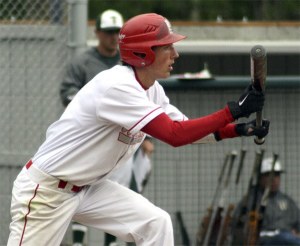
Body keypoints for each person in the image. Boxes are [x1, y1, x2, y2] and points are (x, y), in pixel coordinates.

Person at [8, 13, 269, 246]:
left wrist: (238, 129)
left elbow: (186, 129)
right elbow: (174, 135)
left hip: (88, 188)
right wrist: (234, 110)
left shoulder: (151, 87)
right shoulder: (117, 86)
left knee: (156, 223)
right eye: (168, 47)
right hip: (48, 192)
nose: (175, 55)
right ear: (145, 53)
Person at [59, 9, 154, 246]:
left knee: (120, 189)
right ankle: (79, 242)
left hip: (123, 139)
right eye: (109, 32)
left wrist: (150, 138)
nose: (113, 37)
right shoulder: (83, 61)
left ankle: (110, 243)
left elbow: (145, 105)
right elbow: (67, 92)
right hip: (90, 138)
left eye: (117, 32)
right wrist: (94, 109)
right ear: (97, 33)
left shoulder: (128, 63)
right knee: (81, 185)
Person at [231, 157, 300, 245]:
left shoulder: (287, 200)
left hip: (288, 239)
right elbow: (238, 227)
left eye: (277, 175)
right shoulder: (251, 200)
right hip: (263, 240)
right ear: (260, 178)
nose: (274, 179)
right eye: (269, 175)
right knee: (284, 238)